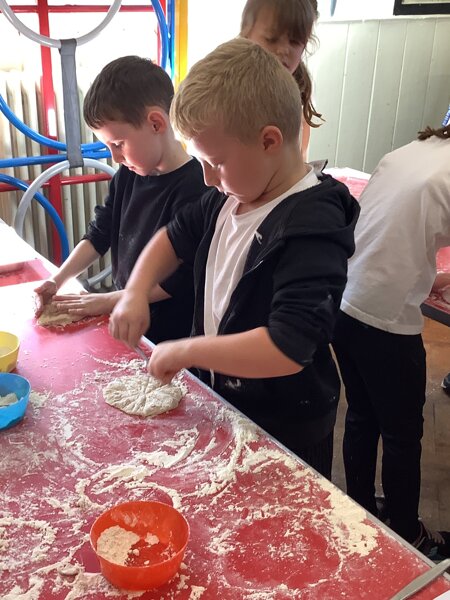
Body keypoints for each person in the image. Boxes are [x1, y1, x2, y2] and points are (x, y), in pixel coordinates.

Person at [109, 38, 359, 479]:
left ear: (269, 141)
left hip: (288, 426)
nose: (206, 177)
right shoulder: (229, 197)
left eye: (216, 161)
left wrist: (187, 350)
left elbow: (287, 346)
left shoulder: (313, 223)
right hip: (226, 400)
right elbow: (173, 237)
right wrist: (134, 292)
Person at [332, 124, 450, 560]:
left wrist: (430, 278)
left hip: (344, 300)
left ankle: (358, 508)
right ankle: (406, 534)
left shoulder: (418, 148)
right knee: (403, 435)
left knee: (363, 415)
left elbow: (391, 234)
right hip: (384, 320)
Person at [34, 56, 208, 343]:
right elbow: (98, 235)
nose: (114, 157)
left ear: (156, 123)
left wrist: (107, 301)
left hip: (168, 333)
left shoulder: (197, 188)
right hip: (126, 313)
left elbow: (180, 280)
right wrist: (58, 279)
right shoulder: (127, 176)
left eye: (118, 144)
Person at [240, 0, 322, 159]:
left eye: (295, 42)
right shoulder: (229, 87)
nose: (283, 50)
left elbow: (300, 157)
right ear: (246, 34)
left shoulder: (299, 92)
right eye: (271, 39)